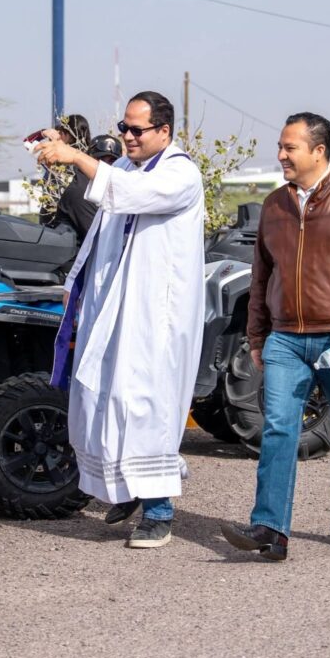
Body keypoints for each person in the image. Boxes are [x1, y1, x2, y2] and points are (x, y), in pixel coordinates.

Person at [219, 112, 330, 561]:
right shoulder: (275, 205)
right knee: (278, 429)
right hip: (285, 341)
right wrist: (258, 337)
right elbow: (261, 276)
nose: (281, 155)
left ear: (319, 151)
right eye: (281, 146)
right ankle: (270, 529)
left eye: (289, 147)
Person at [37, 91, 204, 549]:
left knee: (147, 407)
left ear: (164, 131)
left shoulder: (180, 173)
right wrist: (77, 285)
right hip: (115, 310)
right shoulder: (129, 167)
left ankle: (159, 511)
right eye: (123, 127)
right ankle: (125, 488)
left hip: (155, 320)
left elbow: (130, 196)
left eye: (136, 129)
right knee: (105, 400)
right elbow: (104, 214)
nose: (127, 136)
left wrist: (75, 156)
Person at [38, 115, 101, 242]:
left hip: (61, 230)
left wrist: (42, 133)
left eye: (61, 133)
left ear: (67, 135)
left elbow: (28, 143)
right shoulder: (90, 159)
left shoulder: (69, 161)